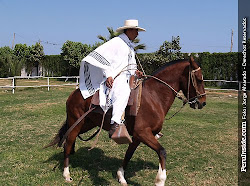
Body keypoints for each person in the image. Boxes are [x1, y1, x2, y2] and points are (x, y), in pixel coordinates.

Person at [79, 19, 145, 143]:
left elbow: (131, 65)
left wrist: (136, 72)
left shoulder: (129, 46)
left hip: (128, 76)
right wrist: (109, 75)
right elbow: (104, 59)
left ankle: (146, 125)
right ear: (129, 30)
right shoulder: (116, 42)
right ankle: (115, 123)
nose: (137, 33)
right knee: (123, 91)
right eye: (136, 30)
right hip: (117, 76)